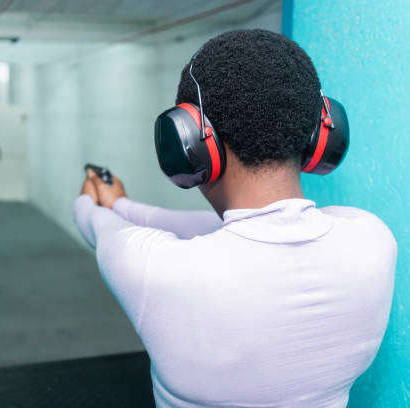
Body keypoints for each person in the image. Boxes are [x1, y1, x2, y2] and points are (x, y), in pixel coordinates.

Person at [73, 30, 396, 408]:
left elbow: (93, 221)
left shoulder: (154, 270)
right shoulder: (372, 241)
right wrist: (124, 205)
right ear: (320, 134)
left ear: (189, 141)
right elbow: (248, 231)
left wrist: (102, 201)